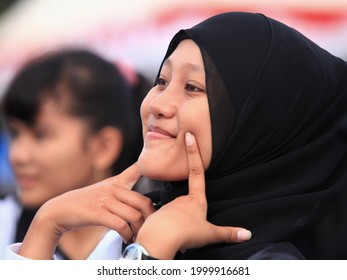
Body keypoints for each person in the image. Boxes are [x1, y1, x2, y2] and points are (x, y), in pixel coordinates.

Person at [6, 11, 347, 260]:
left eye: (193, 87)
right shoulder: (134, 235)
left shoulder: (278, 261)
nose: (159, 104)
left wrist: (148, 256)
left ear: (264, 124)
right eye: (162, 81)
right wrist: (47, 225)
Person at [0, 49, 153, 259]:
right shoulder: (5, 224)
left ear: (103, 147)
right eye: (15, 133)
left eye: (40, 135)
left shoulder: (153, 234)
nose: (17, 155)